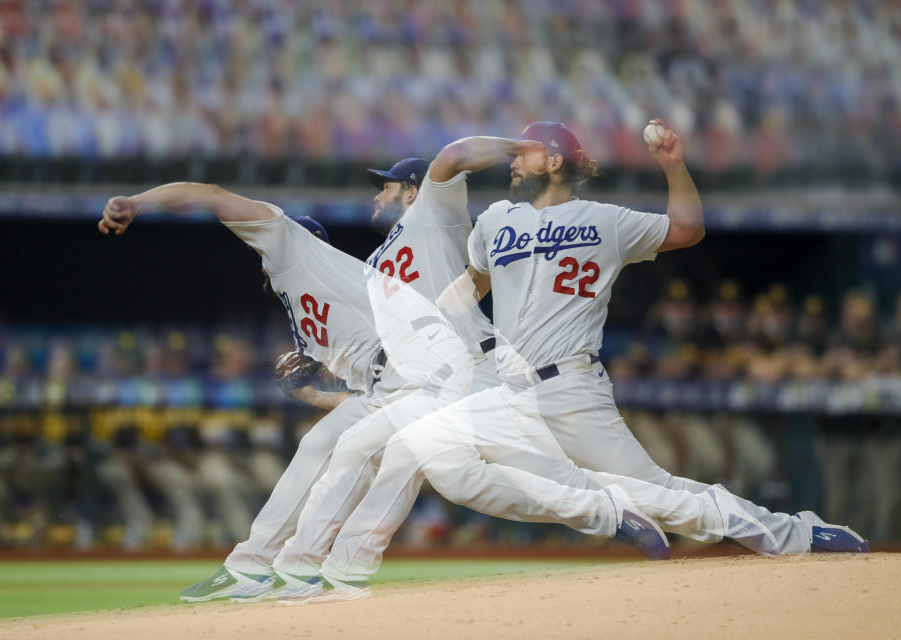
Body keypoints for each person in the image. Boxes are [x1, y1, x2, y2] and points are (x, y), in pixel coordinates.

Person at [265, 121, 869, 604]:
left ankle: (795, 532)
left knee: (658, 489)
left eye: (524, 155)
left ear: (555, 160)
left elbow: (686, 228)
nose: (513, 165)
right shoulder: (498, 221)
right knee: (423, 454)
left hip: (573, 386)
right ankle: (608, 516)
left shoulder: (605, 221)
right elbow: (466, 288)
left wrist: (672, 164)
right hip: (502, 385)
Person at [98, 164, 671, 604]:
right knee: (358, 451)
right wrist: (315, 390)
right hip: (398, 381)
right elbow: (362, 386)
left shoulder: (291, 244)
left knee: (424, 463)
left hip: (442, 373)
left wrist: (138, 203)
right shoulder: (312, 304)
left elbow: (210, 194)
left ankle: (614, 510)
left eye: (388, 187)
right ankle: (287, 569)